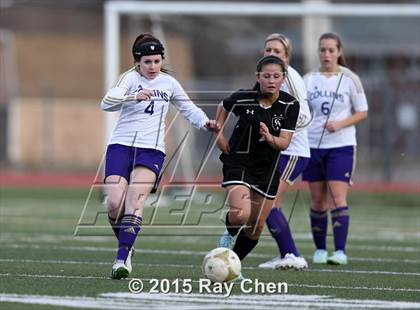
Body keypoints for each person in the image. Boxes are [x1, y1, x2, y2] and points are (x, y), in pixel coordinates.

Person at [100, 33, 219, 279]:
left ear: (161, 60)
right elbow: (106, 102)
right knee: (113, 203)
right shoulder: (129, 79)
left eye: (156, 61)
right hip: (121, 147)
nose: (152, 67)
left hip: (151, 150)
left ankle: (122, 258)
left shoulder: (169, 83)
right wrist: (133, 96)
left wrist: (205, 122)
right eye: (147, 62)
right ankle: (128, 245)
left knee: (135, 200)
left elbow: (188, 108)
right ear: (137, 62)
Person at [215, 55, 300, 271]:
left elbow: (284, 143)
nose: (271, 80)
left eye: (276, 76)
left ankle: (231, 266)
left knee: (256, 227)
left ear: (283, 79)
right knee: (240, 214)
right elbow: (223, 106)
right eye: (267, 76)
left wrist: (270, 138)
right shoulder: (244, 97)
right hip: (238, 161)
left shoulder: (290, 105)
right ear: (258, 77)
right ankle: (229, 233)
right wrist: (219, 135)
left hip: (267, 169)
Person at [302, 32, 368, 265]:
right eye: (322, 50)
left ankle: (340, 251)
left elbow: (362, 111)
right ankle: (320, 250)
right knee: (318, 201)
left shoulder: (351, 79)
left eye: (331, 50)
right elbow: (299, 110)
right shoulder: (308, 79)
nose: (326, 54)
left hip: (341, 146)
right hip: (313, 146)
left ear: (339, 51)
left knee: (338, 198)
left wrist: (340, 123)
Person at [255, 33, 311, 270]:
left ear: (286, 56)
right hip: (278, 151)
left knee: (269, 203)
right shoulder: (268, 78)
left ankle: (291, 254)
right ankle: (288, 254)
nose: (272, 54)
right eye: (268, 49)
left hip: (293, 152)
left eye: (277, 51)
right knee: (261, 202)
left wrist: (280, 132)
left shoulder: (290, 79)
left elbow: (305, 116)